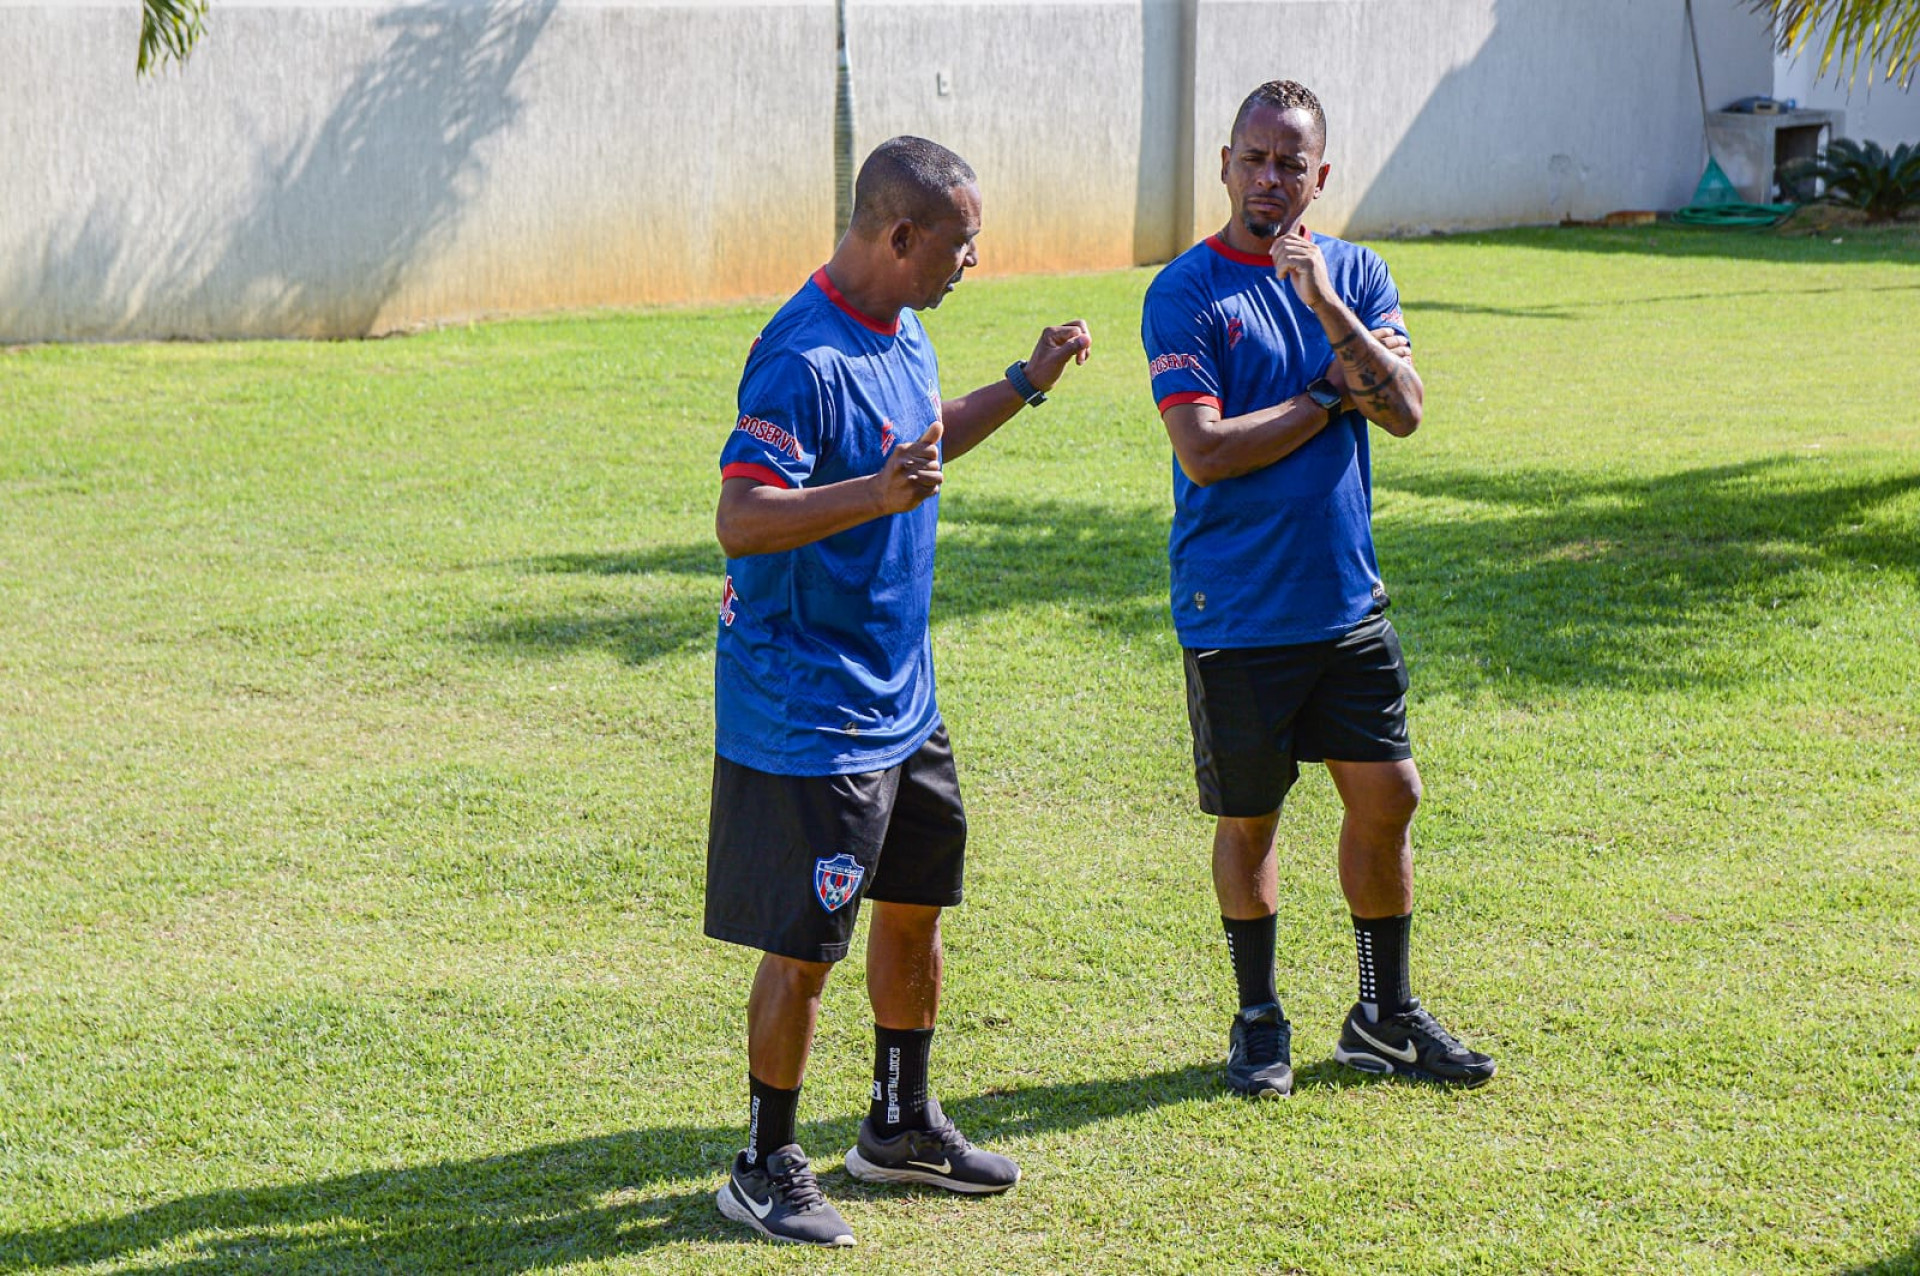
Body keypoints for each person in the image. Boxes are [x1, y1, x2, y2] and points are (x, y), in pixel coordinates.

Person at [706, 135, 1092, 1246]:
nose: (973, 260)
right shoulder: (802, 356)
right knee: (804, 941)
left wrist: (1021, 386)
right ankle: (765, 1160)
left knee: (917, 908)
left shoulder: (906, 328)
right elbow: (741, 518)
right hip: (808, 708)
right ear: (901, 235)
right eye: (962, 243)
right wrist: (869, 493)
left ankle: (898, 1123)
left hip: (902, 699)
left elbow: (917, 454)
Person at [1140, 80, 1495, 1098]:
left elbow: (1408, 411)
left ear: (1319, 175)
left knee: (1391, 795)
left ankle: (1382, 1014)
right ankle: (1259, 1019)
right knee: (1251, 821)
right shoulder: (1186, 292)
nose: (1269, 178)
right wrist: (1323, 394)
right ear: (1223, 165)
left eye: (1290, 163)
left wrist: (1327, 305)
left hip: (1347, 600)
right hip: (1237, 608)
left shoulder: (1359, 275)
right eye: (1253, 158)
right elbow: (1204, 452)